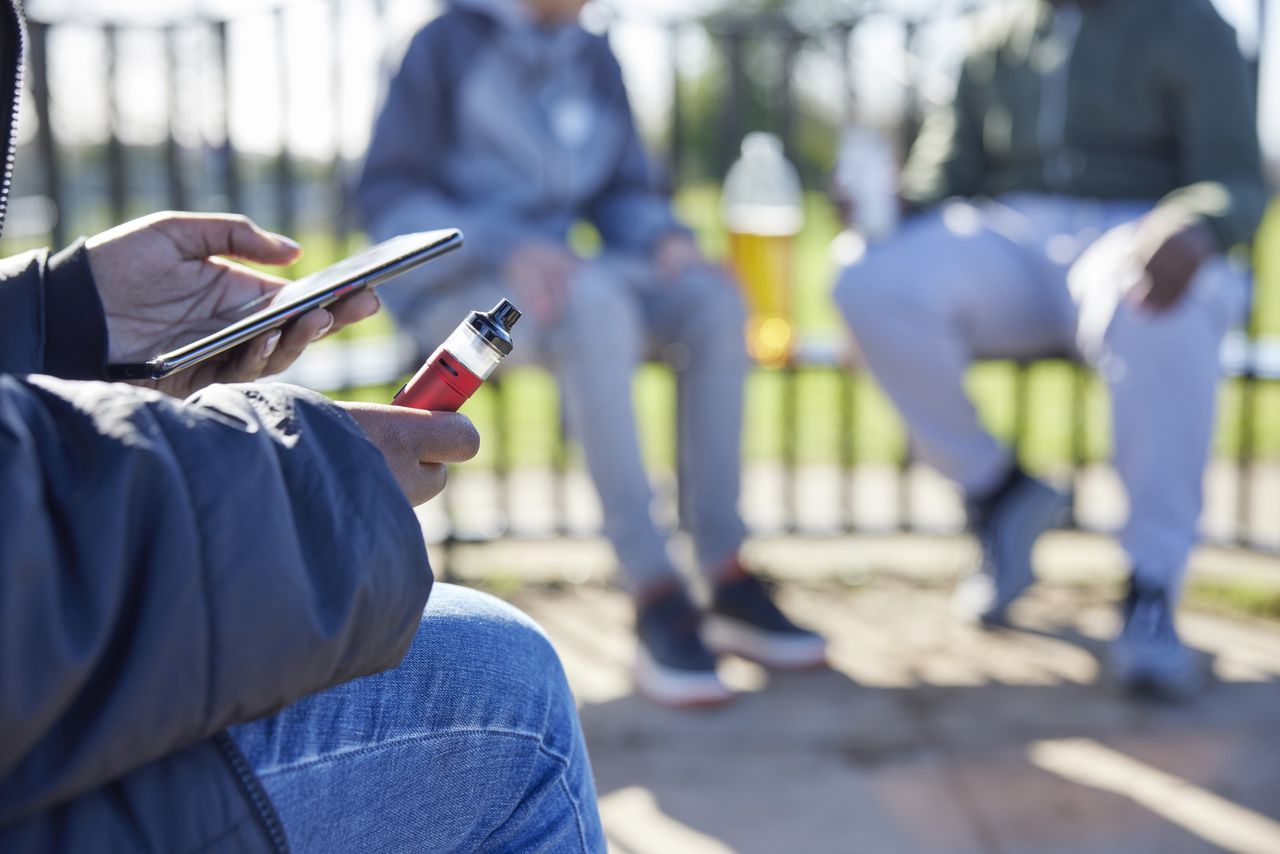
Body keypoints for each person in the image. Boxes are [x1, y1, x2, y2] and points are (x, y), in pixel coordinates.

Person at [0, 3, 604, 850]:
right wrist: (316, 478)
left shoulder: (592, 53)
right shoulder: (448, 45)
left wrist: (58, 317)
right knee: (504, 694)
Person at [356, 0, 827, 707]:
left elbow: (624, 195)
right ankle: (655, 590)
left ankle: (725, 571)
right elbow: (388, 197)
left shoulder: (594, 56)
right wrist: (506, 242)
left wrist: (664, 236)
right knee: (598, 302)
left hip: (571, 277)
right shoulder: (442, 44)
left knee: (713, 298)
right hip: (462, 286)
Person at [833, 0, 1266, 698]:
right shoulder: (993, 30)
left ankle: (1151, 585)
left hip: (1137, 229)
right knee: (867, 277)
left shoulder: (1192, 23)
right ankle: (1001, 494)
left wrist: (1196, 221)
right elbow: (948, 170)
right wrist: (893, 202)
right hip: (1011, 234)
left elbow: (1235, 177)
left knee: (1162, 304)